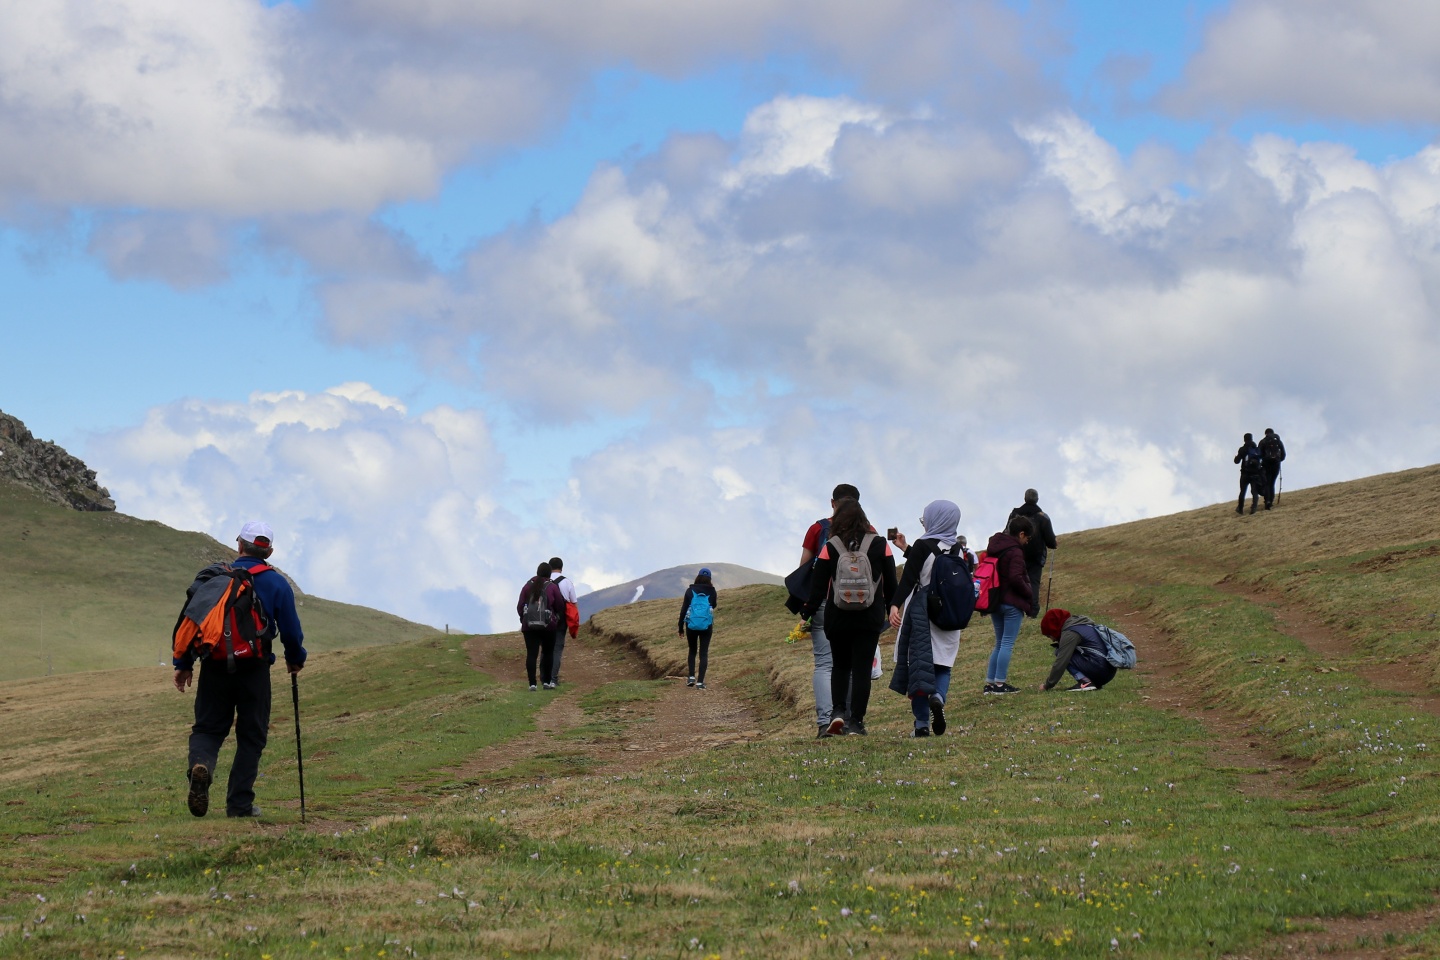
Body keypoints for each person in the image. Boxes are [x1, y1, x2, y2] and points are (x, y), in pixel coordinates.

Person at [175, 520, 306, 819]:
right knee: (251, 735)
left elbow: (191, 619)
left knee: (208, 729)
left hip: (214, 666)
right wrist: (295, 658)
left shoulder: (216, 578)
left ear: (239, 545)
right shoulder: (276, 583)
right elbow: (291, 630)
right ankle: (239, 805)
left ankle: (202, 765)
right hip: (254, 669)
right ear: (269, 552)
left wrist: (183, 665)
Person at [802, 498, 897, 736]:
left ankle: (837, 712)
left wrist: (807, 614)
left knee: (840, 666)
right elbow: (891, 583)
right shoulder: (880, 544)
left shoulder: (831, 545)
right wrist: (893, 609)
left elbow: (818, 586)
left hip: (838, 616)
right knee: (862, 669)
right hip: (869, 616)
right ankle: (856, 722)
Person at [888, 500, 966, 737]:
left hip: (922, 614)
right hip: (949, 613)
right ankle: (939, 697)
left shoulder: (923, 545)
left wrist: (894, 605)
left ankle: (921, 724)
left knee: (919, 669)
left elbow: (910, 578)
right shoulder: (958, 549)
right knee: (943, 664)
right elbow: (935, 566)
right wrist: (906, 548)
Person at [792, 483, 861, 738]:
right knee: (850, 663)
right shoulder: (868, 530)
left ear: (833, 503)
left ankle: (825, 722)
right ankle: (850, 720)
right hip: (857, 602)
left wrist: (806, 607)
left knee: (824, 663)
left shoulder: (818, 528)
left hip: (823, 601)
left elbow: (804, 567)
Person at [983, 515, 1036, 694]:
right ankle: (1000, 684)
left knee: (999, 643)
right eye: (1027, 538)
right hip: (1012, 602)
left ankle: (990, 683)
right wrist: (1029, 593)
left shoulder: (995, 547)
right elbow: (1015, 577)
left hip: (995, 601)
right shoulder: (1015, 551)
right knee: (1007, 643)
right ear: (1021, 534)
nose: (1027, 542)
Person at [1038, 608, 1117, 692]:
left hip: (1100, 669)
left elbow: (1061, 662)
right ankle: (1091, 682)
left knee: (1061, 652)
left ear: (1053, 628)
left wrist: (1047, 685)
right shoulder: (1080, 625)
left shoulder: (1070, 633)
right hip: (1108, 670)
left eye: (1049, 635)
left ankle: (1085, 682)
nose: (1052, 640)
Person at [1007, 490, 1057, 617]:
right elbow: (1050, 540)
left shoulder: (1015, 514)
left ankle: (1016, 606)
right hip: (1036, 556)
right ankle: (1032, 610)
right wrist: (1053, 544)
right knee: (1033, 582)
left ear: (1024, 498)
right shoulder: (1043, 517)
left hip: (1017, 553)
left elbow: (1007, 532)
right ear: (1037, 499)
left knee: (1016, 578)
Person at [517, 562, 566, 691]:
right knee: (548, 653)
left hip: (529, 627)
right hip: (548, 626)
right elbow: (560, 605)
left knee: (531, 654)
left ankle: (532, 684)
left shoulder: (527, 586)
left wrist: (524, 619)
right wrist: (555, 617)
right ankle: (547, 682)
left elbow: (520, 606)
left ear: (537, 572)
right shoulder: (552, 587)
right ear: (549, 574)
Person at [677, 567, 719, 689]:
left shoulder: (690, 590)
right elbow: (714, 605)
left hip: (691, 625)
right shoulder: (712, 591)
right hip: (706, 625)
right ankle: (700, 682)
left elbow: (684, 610)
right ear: (709, 579)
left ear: (698, 577)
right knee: (703, 652)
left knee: (692, 650)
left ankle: (691, 677)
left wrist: (680, 627)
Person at [548, 557, 580, 687]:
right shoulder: (567, 582)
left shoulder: (544, 581)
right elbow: (574, 603)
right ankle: (553, 679)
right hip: (561, 618)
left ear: (549, 567)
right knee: (557, 648)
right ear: (561, 568)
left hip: (546, 618)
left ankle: (544, 679)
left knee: (546, 648)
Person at [1234, 433, 1265, 515]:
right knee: (1254, 491)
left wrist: (1236, 457)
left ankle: (1240, 508)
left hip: (1245, 473)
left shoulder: (1242, 449)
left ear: (1244, 439)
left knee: (1242, 491)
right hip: (1255, 474)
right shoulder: (1257, 449)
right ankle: (1254, 508)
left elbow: (1237, 461)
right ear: (1252, 438)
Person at [1259, 428, 1286, 509]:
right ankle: (1271, 500)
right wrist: (1278, 460)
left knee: (1267, 482)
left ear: (1266, 434)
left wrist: (1262, 461)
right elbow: (1283, 454)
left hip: (1267, 464)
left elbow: (1259, 454)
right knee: (1272, 483)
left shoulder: (1263, 441)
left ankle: (1267, 501)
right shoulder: (1278, 441)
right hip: (1276, 465)